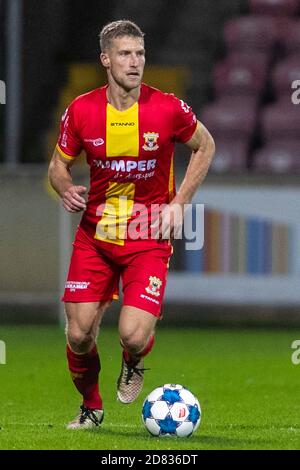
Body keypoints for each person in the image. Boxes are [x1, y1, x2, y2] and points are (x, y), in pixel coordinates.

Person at [48, 19, 215, 429]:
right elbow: (57, 166)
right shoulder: (82, 110)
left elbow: (205, 145)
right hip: (96, 236)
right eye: (125, 53)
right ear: (106, 59)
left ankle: (133, 361)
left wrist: (179, 203)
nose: (135, 61)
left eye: (140, 53)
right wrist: (66, 186)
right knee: (79, 334)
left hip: (147, 235)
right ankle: (91, 406)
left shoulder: (167, 108)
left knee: (134, 335)